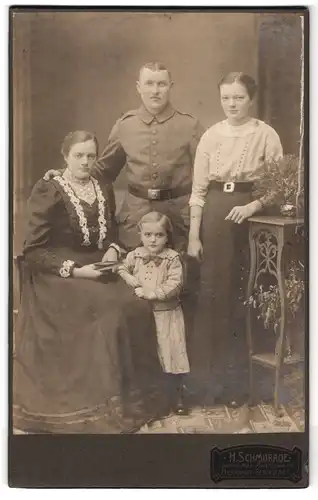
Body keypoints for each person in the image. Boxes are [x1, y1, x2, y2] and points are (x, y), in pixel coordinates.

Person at [13, 131, 165, 434]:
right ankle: (101, 406)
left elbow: (110, 234)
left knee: (135, 303)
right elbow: (33, 251)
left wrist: (111, 250)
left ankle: (137, 400)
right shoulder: (50, 189)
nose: (85, 161)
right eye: (79, 155)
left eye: (91, 156)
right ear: (65, 156)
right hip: (56, 273)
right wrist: (80, 271)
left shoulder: (103, 186)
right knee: (109, 312)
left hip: (99, 264)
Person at [187, 72, 283, 407]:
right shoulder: (211, 136)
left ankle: (238, 387)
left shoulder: (266, 134)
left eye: (239, 97)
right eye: (226, 97)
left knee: (241, 296)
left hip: (251, 219)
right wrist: (193, 237)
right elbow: (198, 192)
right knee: (213, 295)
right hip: (215, 215)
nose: (232, 104)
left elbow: (276, 184)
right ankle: (205, 385)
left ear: (250, 98)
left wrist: (253, 205)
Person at [44, 62, 204, 252]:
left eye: (161, 84)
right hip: (136, 217)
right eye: (149, 84)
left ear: (171, 86)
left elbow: (207, 174)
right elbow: (104, 170)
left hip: (177, 218)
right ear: (138, 87)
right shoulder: (125, 125)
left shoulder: (190, 126)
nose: (155, 91)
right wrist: (67, 174)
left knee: (179, 274)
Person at [117, 212, 190, 415]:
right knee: (149, 356)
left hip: (167, 315)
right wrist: (130, 279)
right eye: (148, 234)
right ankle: (152, 397)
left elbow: (174, 284)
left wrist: (151, 293)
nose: (153, 240)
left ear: (167, 236)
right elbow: (121, 268)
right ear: (140, 235)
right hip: (144, 318)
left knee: (171, 355)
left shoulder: (172, 258)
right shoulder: (135, 255)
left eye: (159, 235)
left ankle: (177, 396)